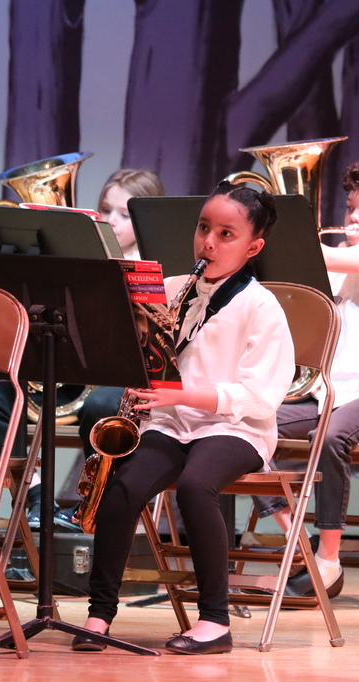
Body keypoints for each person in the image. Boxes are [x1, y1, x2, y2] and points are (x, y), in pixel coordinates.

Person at [71, 182, 294, 655]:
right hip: (171, 423)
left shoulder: (261, 306)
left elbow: (260, 398)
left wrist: (182, 392)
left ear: (254, 246)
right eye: (204, 228)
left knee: (196, 485)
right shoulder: (170, 290)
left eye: (226, 234)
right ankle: (99, 613)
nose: (208, 242)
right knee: (124, 485)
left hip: (237, 428)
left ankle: (215, 620)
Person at [255, 155, 359, 599]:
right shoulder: (335, 262)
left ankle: (328, 560)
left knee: (331, 437)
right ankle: (297, 539)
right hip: (326, 394)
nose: (353, 217)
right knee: (243, 424)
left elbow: (335, 258)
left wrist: (289, 239)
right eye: (351, 207)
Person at [0, 169, 165, 530]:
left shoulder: (159, 266)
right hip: (67, 370)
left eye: (125, 214)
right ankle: (33, 497)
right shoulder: (81, 254)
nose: (111, 221)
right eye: (106, 210)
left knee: (103, 406)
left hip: (120, 378)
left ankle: (99, 507)